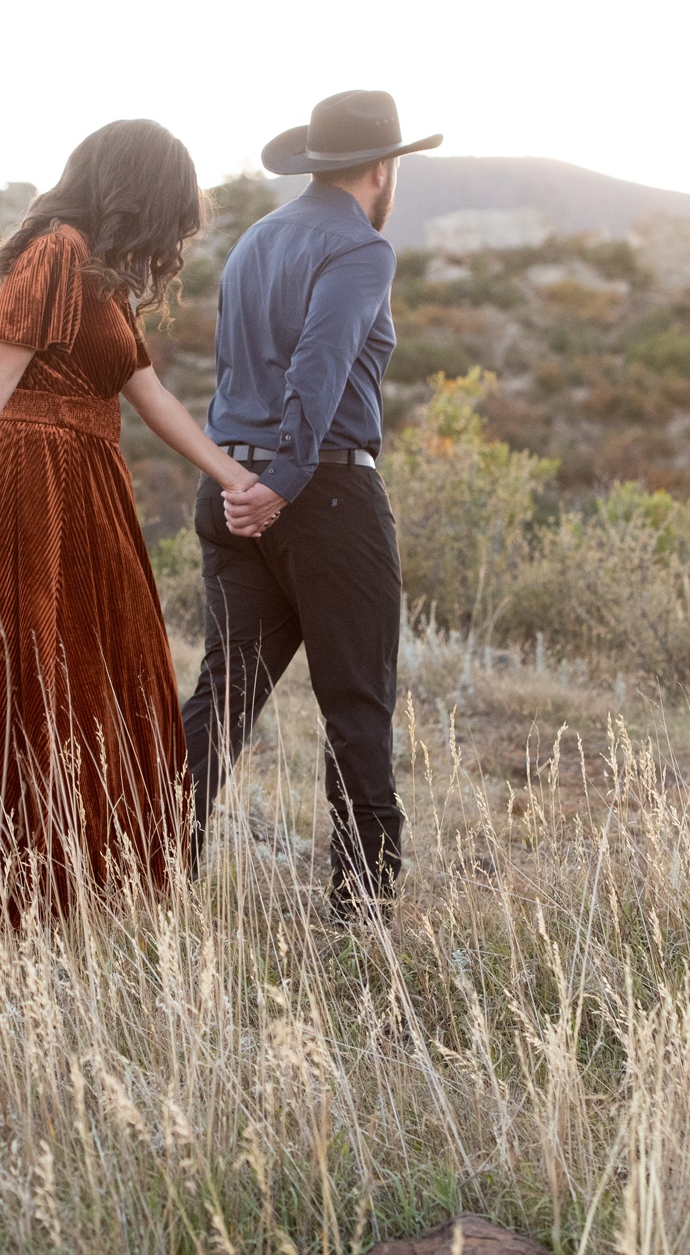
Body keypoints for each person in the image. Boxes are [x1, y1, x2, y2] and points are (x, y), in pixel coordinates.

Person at [0, 119, 256, 926]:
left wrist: (238, 478)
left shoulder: (101, 276)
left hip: (92, 486)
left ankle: (81, 886)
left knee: (103, 671)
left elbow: (153, 398)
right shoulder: (57, 250)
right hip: (33, 477)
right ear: (137, 191)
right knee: (24, 674)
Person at [180, 89, 438, 919]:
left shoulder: (256, 239)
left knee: (224, 696)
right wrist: (284, 485)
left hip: (231, 485)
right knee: (357, 699)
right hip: (322, 493)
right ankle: (360, 913)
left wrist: (244, 488)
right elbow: (317, 373)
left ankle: (143, 861)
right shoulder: (363, 248)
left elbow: (233, 375)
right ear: (381, 168)